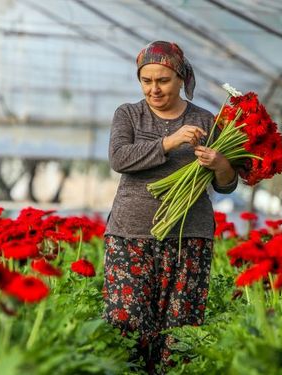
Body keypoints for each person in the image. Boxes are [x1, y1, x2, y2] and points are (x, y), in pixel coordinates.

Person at [102, 41, 238, 373]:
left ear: (180, 78)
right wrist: (170, 141)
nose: (153, 89)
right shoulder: (129, 114)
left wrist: (220, 163)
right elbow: (120, 158)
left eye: (162, 80)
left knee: (180, 330)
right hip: (130, 235)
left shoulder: (206, 120)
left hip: (188, 237)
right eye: (146, 81)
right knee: (127, 323)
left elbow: (226, 184)